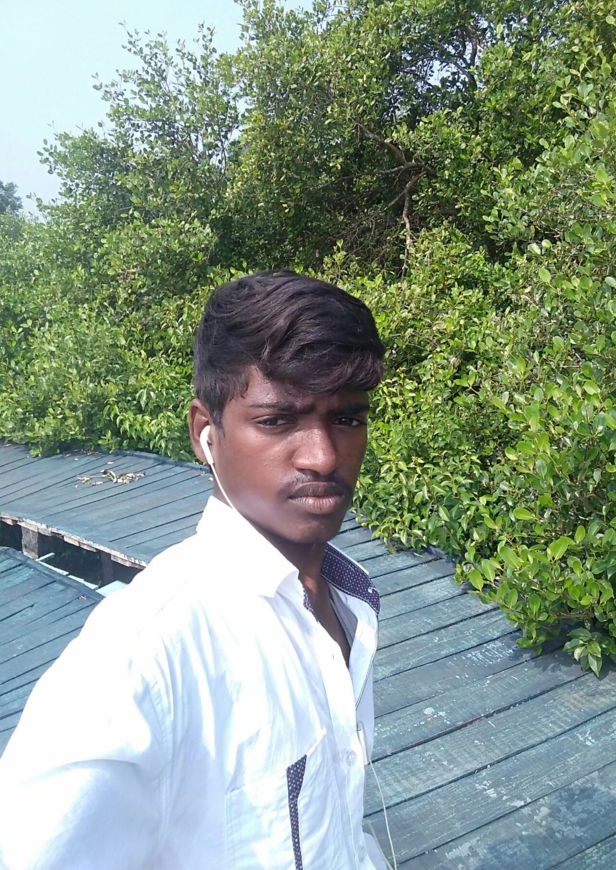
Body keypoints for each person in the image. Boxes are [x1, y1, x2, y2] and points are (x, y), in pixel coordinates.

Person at [0, 270, 389, 869]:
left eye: (347, 419)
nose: (323, 456)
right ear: (206, 434)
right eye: (277, 421)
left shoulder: (350, 598)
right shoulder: (145, 656)